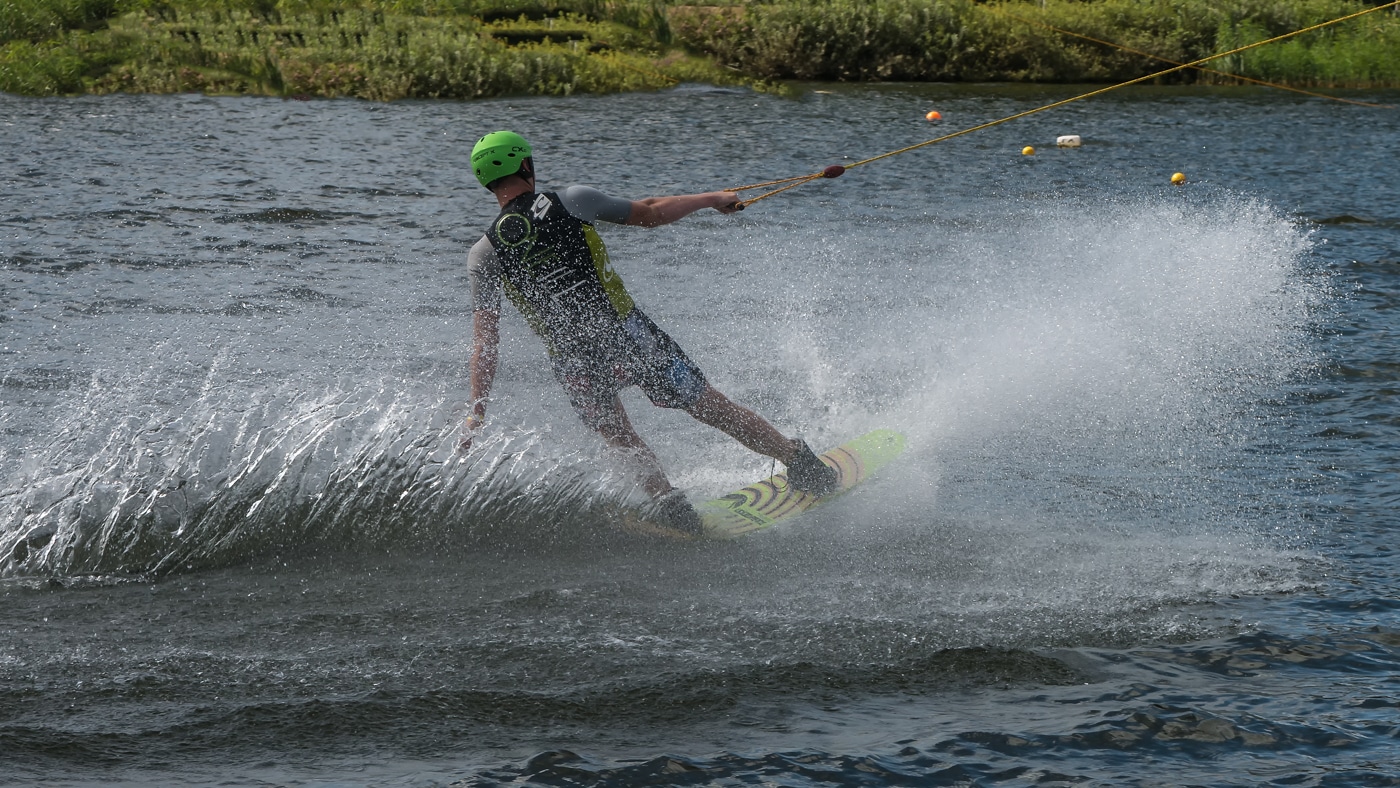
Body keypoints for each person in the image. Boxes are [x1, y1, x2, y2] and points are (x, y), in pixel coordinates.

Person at [461, 130, 836, 535]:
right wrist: (714, 198)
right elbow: (652, 212)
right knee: (707, 405)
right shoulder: (570, 199)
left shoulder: (484, 253)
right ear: (526, 166)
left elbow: (486, 341)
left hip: (571, 356)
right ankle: (798, 461)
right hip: (627, 332)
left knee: (618, 435)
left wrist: (477, 408)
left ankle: (672, 507)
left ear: (486, 181)